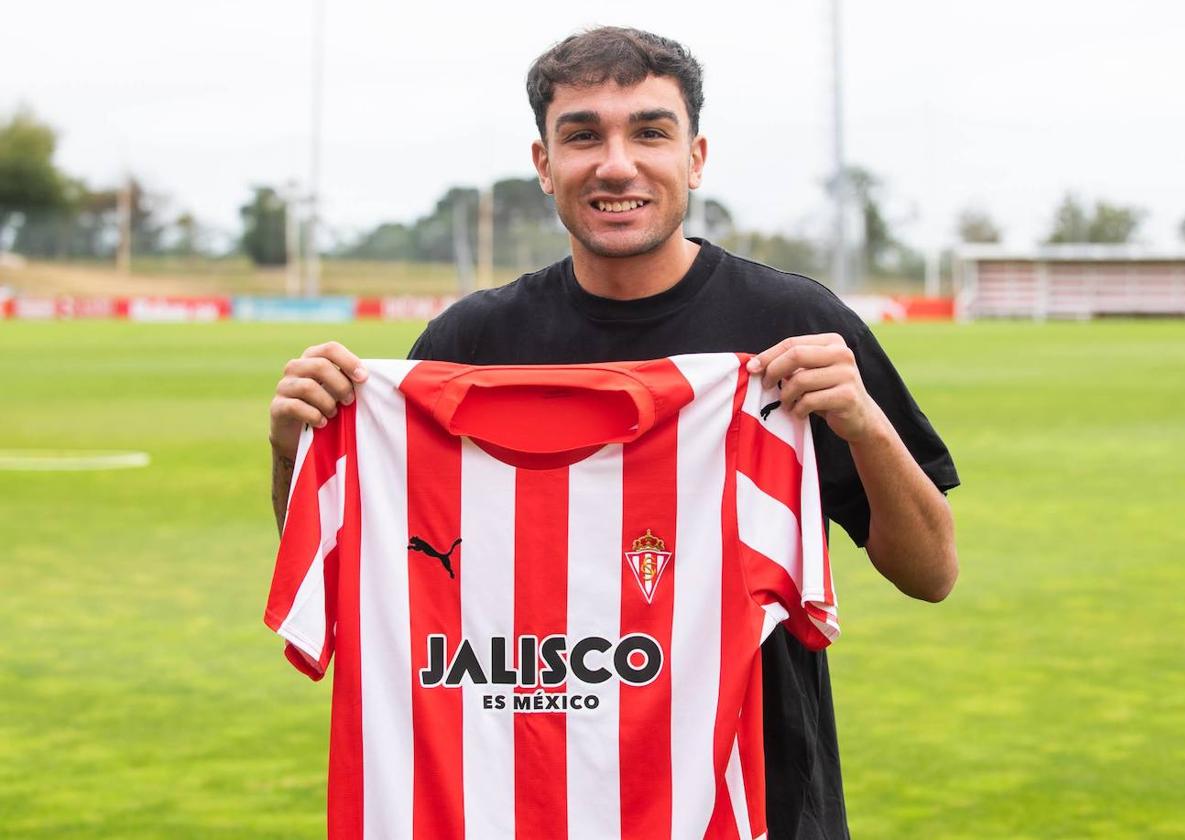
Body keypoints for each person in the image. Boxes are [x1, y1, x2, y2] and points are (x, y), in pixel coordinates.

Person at [268, 26, 959, 839]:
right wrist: (294, 453)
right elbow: (363, 572)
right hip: (514, 808)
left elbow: (932, 572)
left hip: (752, 808)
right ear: (543, 163)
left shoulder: (791, 328)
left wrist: (864, 422)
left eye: (650, 131)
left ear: (695, 158)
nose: (617, 163)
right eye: (583, 134)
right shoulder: (468, 346)